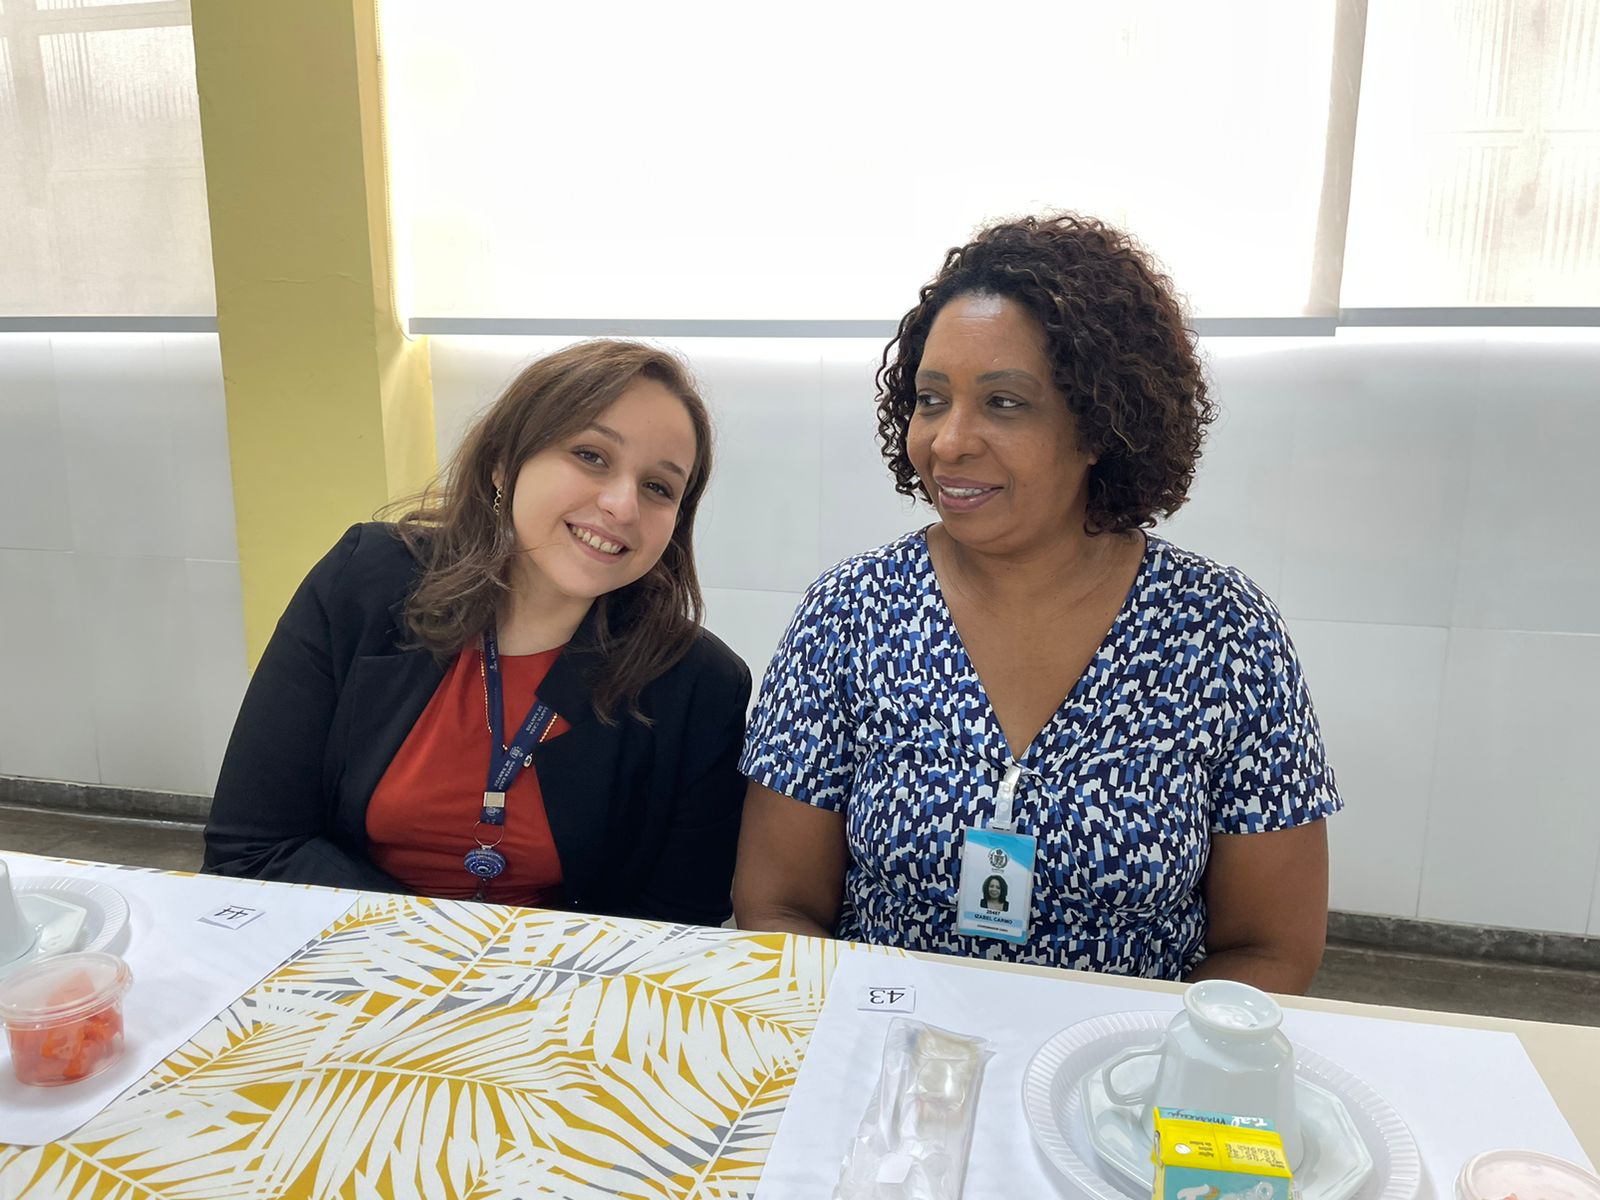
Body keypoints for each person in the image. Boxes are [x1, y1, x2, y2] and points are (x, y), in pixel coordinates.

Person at [734, 214, 1340, 991]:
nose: (949, 441)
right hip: (885, 1044)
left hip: (1123, 1056)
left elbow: (1270, 948)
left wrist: (1133, 1058)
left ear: (1100, 424)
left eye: (1004, 402)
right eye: (931, 399)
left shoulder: (1221, 633)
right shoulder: (850, 614)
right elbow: (777, 906)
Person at [204, 340, 751, 926]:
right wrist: (440, 949)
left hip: (558, 977)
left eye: (659, 487)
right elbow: (251, 849)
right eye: (591, 455)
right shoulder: (364, 583)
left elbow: (679, 923)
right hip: (341, 951)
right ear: (502, 464)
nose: (622, 505)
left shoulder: (699, 684)